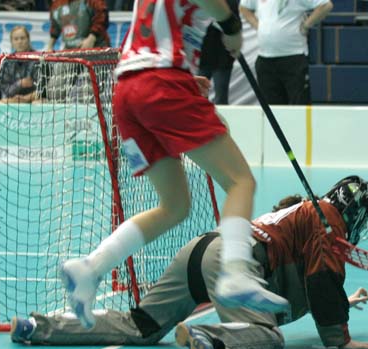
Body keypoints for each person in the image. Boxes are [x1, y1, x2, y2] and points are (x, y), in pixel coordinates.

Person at [59, 0, 289, 331]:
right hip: (161, 83)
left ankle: (91, 268)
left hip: (127, 93)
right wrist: (232, 26)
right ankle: (236, 273)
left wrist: (186, 81)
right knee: (241, 182)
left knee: (175, 206)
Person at [11, 176, 368, 349]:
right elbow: (321, 278)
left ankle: (37, 326)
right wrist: (339, 338)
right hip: (233, 261)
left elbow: (305, 281)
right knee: (268, 339)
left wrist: (341, 303)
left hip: (201, 249)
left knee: (140, 325)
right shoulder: (328, 219)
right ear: (355, 211)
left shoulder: (303, 211)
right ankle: (213, 338)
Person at [239, 0, 333, 105]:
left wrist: (306, 25)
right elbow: (243, 8)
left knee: (299, 105)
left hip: (293, 57)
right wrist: (259, 26)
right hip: (265, 59)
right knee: (271, 108)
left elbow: (326, 5)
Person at [198, 0, 239, 105]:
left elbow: (234, 23)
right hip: (202, 54)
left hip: (222, 57)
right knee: (198, 97)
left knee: (221, 99)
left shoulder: (231, 2)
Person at [0, 26, 39, 103]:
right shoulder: (6, 62)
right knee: (1, 102)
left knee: (38, 102)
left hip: (33, 99)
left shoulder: (38, 60)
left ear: (28, 40)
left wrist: (26, 98)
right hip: (13, 100)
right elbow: (5, 90)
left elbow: (43, 90)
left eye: (22, 38)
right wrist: (19, 84)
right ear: (12, 42)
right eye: (16, 39)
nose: (19, 42)